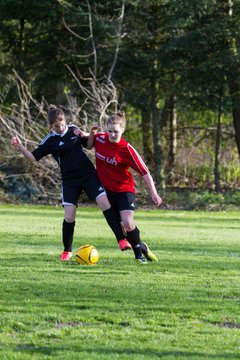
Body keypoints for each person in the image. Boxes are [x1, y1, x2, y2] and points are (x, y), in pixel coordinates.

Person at [11, 106, 131, 262]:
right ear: (51, 126)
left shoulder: (73, 130)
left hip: (88, 175)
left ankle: (122, 240)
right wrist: (19, 146)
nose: (60, 128)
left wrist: (92, 133)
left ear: (65, 121)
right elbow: (33, 158)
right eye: (56, 126)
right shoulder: (50, 140)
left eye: (62, 124)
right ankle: (67, 250)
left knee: (105, 204)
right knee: (69, 215)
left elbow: (88, 145)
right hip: (69, 181)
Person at [75, 111, 162, 264]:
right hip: (107, 192)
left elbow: (145, 172)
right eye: (110, 131)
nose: (112, 134)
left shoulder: (127, 149)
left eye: (116, 131)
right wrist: (82, 132)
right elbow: (87, 140)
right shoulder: (101, 138)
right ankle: (142, 247)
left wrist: (154, 194)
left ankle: (138, 256)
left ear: (122, 130)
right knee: (121, 228)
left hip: (124, 190)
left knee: (128, 223)